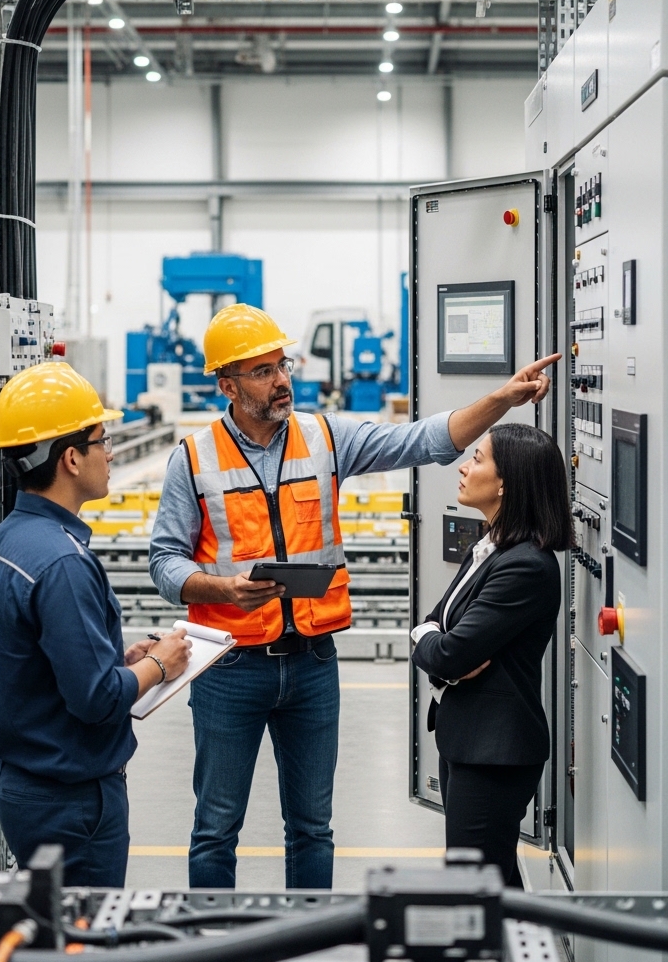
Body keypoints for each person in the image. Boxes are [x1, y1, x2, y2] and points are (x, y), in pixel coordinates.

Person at [149, 302, 560, 890]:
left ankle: (306, 958)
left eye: (281, 365)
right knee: (216, 825)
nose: (281, 380)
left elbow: (424, 440)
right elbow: (163, 561)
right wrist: (221, 589)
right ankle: (215, 959)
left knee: (312, 826)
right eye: (263, 371)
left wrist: (502, 399)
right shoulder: (193, 459)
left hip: (314, 662)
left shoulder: (325, 436)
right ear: (227, 385)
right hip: (229, 665)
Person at [0, 361, 192, 887]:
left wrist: (119, 660)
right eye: (102, 438)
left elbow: (37, 663)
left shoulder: (7, 541)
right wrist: (161, 665)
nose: (111, 451)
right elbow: (96, 700)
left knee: (55, 940)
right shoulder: (63, 562)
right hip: (71, 801)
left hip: (27, 787)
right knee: (83, 949)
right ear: (71, 458)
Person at [411, 423, 575, 887]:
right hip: (469, 738)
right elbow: (436, 623)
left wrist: (435, 642)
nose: (464, 466)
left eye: (478, 458)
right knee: (491, 878)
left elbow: (447, 653)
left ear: (507, 482)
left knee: (475, 884)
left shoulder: (526, 565)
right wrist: (433, 639)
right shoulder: (493, 546)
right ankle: (516, 957)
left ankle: (498, 959)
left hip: (495, 752)